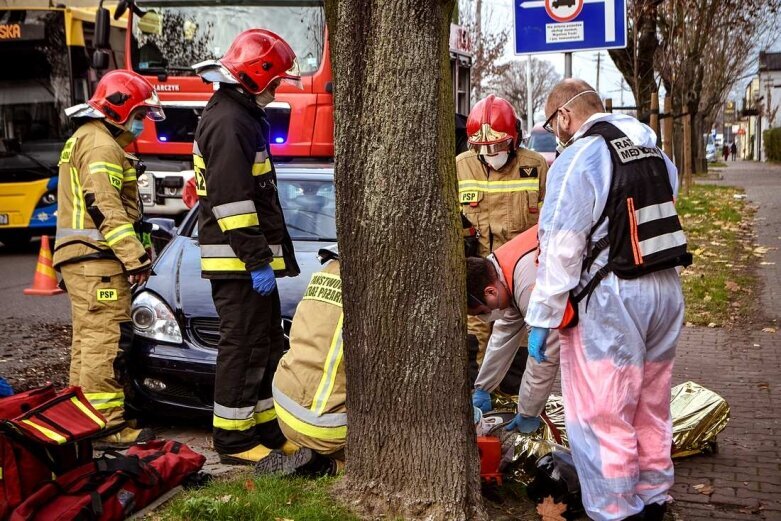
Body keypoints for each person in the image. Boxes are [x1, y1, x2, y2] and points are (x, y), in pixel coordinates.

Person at [524, 79, 691, 521]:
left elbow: (561, 245)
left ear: (564, 116)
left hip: (612, 299)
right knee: (651, 403)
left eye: (552, 123)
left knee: (603, 411)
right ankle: (654, 497)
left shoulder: (578, 157)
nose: (555, 133)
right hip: (665, 288)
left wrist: (542, 317)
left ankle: (617, 511)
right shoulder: (650, 147)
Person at [192, 29, 302, 465]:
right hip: (238, 264)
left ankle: (266, 430)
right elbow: (234, 204)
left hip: (248, 262)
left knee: (264, 345)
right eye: (274, 82)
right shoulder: (229, 121)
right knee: (241, 346)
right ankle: (235, 442)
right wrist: (257, 260)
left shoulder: (239, 116)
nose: (277, 91)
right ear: (256, 78)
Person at [54, 70, 166, 447]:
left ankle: (81, 420)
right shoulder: (102, 145)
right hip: (97, 261)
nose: (141, 125)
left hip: (83, 261)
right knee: (105, 342)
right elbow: (105, 207)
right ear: (119, 110)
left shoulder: (83, 138)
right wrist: (135, 257)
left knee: (87, 344)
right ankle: (108, 427)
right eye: (140, 115)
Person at [457, 94, 549, 365]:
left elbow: (549, 224)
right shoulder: (461, 167)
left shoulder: (534, 166)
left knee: (519, 349)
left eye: (498, 145)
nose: (491, 154)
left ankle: (514, 399)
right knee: (476, 342)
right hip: (477, 277)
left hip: (519, 280)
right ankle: (478, 396)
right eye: (483, 148)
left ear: (514, 138)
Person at [255, 248, 345, 477]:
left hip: (285, 405)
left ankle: (312, 454)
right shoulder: (381, 286)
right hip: (324, 425)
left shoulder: (328, 269)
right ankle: (327, 466)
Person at [467, 225, 560, 434]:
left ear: (490, 292)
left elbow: (544, 356)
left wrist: (529, 411)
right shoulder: (501, 272)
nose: (486, 317)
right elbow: (503, 334)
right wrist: (483, 387)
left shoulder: (528, 283)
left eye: (484, 311)